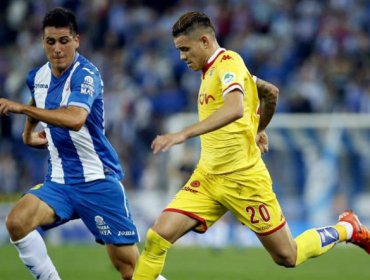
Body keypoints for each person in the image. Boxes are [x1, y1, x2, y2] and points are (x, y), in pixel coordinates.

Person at [132, 11, 370, 279]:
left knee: (287, 256)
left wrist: (182, 135)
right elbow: (270, 92)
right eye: (179, 50)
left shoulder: (229, 63)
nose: (182, 57)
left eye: (185, 49)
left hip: (245, 180)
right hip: (208, 179)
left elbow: (234, 108)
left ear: (205, 42)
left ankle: (348, 229)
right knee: (156, 238)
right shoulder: (217, 70)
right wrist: (259, 128)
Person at [0, 7, 149, 280]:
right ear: (43, 42)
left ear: (76, 40)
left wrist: (23, 111)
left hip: (97, 180)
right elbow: (38, 98)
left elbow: (76, 118)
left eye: (64, 41)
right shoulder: (37, 76)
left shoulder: (86, 75)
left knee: (130, 270)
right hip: (59, 181)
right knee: (17, 222)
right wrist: (27, 133)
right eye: (50, 41)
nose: (57, 48)